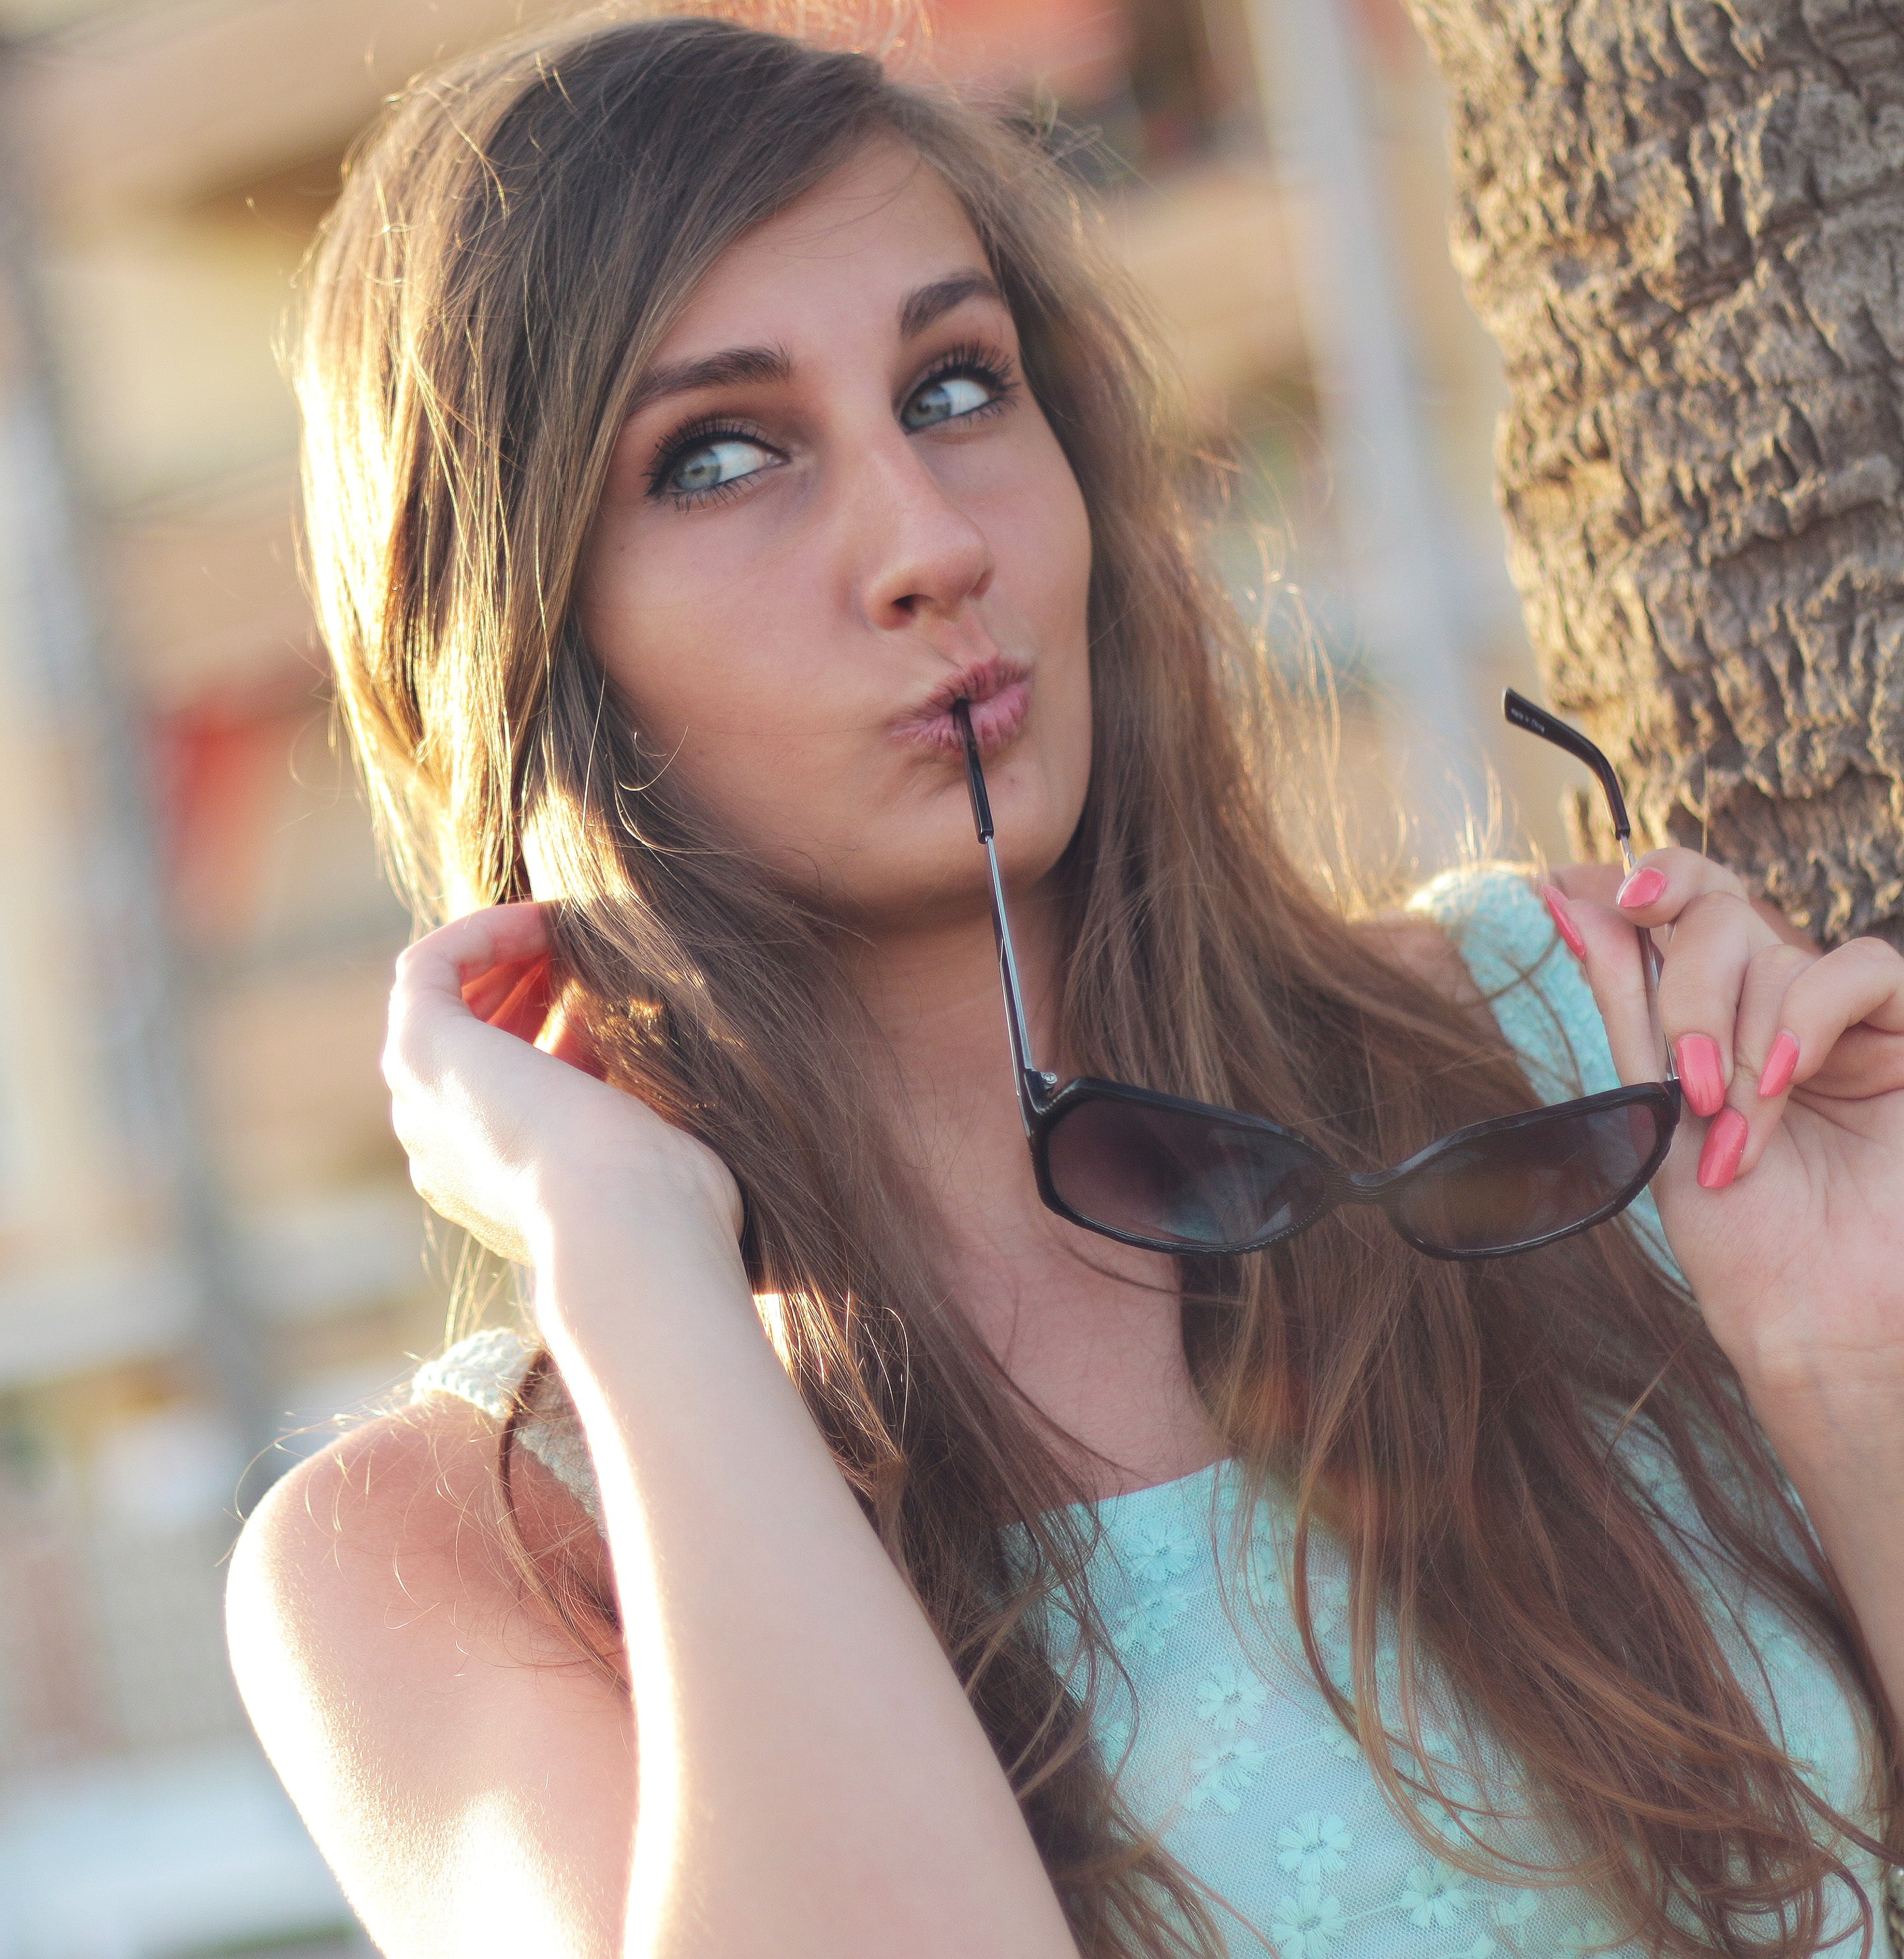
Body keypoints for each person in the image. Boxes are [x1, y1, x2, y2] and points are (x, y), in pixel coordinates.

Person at [225, 15, 1904, 1958]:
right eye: (723, 455)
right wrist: (628, 1257)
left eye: (955, 389)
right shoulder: (455, 1562)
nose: (932, 545)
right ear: (522, 629)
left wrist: (1845, 1364)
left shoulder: (1574, 1068)